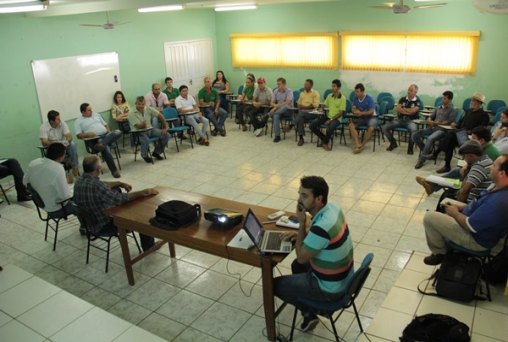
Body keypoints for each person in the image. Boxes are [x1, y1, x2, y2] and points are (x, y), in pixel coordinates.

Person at [274, 176, 354, 332]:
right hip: (346, 278)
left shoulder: (322, 227)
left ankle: (315, 310)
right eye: (299, 194)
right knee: (296, 266)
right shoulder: (333, 209)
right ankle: (309, 314)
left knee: (275, 285)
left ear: (319, 199)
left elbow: (302, 257)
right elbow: (320, 237)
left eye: (304, 196)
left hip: (330, 289)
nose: (299, 199)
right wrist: (303, 234)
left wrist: (301, 224)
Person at [422, 154, 508, 265]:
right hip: (474, 222)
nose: (491, 167)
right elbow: (479, 206)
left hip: (476, 240)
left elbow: (471, 226)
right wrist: (462, 207)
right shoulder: (497, 186)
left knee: (429, 217)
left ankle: (440, 253)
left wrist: (454, 213)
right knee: (446, 203)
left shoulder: (499, 201)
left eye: (494, 166)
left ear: (502, 173)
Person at [73, 155, 157, 251]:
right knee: (140, 216)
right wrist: (142, 192)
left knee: (116, 189)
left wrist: (119, 183)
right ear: (98, 169)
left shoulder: (78, 181)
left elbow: (103, 183)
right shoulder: (97, 186)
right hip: (104, 225)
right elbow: (119, 199)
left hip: (88, 224)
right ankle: (149, 247)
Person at [416, 140, 492, 203]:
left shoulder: (478, 168)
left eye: (464, 156)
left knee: (447, 196)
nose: (464, 159)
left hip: (471, 202)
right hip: (477, 197)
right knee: (455, 177)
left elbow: (465, 191)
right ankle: (432, 185)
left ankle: (432, 185)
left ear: (471, 155)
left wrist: (456, 205)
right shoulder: (486, 160)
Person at [435, 92, 490, 173]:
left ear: (479, 103)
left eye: (474, 101)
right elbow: (461, 123)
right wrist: (456, 125)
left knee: (451, 134)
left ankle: (436, 153)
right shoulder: (468, 111)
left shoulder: (484, 115)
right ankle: (446, 165)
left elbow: (481, 130)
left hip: (471, 138)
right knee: (450, 140)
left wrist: (467, 132)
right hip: (461, 134)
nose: (472, 102)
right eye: (472, 100)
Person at [23, 143, 75, 218]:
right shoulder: (58, 169)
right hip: (57, 210)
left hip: (42, 206)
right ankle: (86, 226)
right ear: (61, 157)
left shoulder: (34, 162)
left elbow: (24, 181)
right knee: (83, 201)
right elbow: (65, 197)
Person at [75, 103, 122, 178]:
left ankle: (102, 143)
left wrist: (109, 133)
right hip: (94, 139)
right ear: (83, 112)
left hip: (106, 136)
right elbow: (78, 135)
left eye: (91, 109)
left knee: (118, 132)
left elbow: (106, 125)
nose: (91, 111)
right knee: (104, 148)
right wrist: (88, 134)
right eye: (89, 110)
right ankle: (114, 171)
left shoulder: (96, 115)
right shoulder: (78, 121)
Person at [413, 91, 457, 169]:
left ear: (450, 100)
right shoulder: (438, 107)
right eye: (442, 98)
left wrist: (438, 123)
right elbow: (431, 116)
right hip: (432, 128)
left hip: (442, 130)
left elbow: (449, 122)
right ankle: (426, 150)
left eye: (445, 98)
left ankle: (421, 160)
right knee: (415, 135)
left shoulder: (452, 110)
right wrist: (430, 120)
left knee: (430, 139)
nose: (442, 100)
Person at [40, 110, 80, 180]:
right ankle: (60, 176)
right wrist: (56, 143)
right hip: (52, 148)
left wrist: (65, 142)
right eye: (58, 119)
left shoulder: (62, 123)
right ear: (52, 121)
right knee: (56, 150)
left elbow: (69, 136)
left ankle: (75, 167)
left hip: (63, 146)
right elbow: (44, 142)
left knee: (72, 144)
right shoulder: (43, 127)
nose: (60, 120)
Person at [128, 96, 170, 163]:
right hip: (138, 132)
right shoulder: (131, 113)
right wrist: (143, 125)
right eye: (139, 104)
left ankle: (156, 152)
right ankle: (144, 155)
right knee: (146, 140)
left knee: (166, 135)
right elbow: (138, 126)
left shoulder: (148, 108)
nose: (141, 106)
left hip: (150, 130)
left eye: (142, 104)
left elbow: (160, 115)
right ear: (135, 103)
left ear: (145, 104)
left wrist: (165, 127)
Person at [309, 79, 346, 151]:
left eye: (334, 86)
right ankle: (324, 139)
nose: (332, 88)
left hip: (336, 119)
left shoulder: (343, 98)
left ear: (338, 88)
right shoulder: (330, 96)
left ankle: (325, 143)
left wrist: (331, 120)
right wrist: (320, 109)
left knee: (330, 127)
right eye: (332, 86)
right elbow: (324, 105)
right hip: (328, 116)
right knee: (312, 125)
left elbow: (341, 113)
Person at [384, 84, 421, 155]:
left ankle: (410, 148)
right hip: (400, 120)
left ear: (415, 92)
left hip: (411, 121)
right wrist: (408, 110)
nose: (408, 92)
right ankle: (393, 143)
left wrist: (404, 109)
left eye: (411, 90)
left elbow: (413, 111)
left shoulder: (417, 101)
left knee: (414, 130)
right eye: (408, 90)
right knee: (385, 127)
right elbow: (398, 109)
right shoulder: (402, 99)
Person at [349, 83, 377, 154]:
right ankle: (357, 143)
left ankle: (362, 145)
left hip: (371, 117)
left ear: (362, 91)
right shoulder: (355, 98)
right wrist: (355, 111)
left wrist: (361, 113)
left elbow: (371, 111)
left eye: (357, 91)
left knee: (371, 128)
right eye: (355, 91)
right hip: (361, 117)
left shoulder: (369, 98)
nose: (356, 93)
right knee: (351, 125)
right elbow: (353, 108)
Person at [293, 79, 320, 146]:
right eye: (304, 84)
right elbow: (298, 104)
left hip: (312, 113)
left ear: (311, 86)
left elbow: (314, 106)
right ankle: (301, 138)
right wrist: (301, 106)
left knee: (301, 113)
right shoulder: (302, 93)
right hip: (302, 113)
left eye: (307, 85)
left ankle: (291, 125)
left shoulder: (315, 93)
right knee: (300, 118)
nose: (305, 86)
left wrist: (303, 107)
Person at [269, 77, 293, 143]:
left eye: (279, 84)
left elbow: (288, 102)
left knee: (286, 106)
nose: (277, 86)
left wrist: (275, 107)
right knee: (276, 116)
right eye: (277, 84)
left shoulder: (289, 91)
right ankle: (277, 136)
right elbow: (271, 102)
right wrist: (275, 106)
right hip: (279, 111)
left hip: (288, 111)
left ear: (284, 84)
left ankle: (269, 114)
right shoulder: (275, 91)